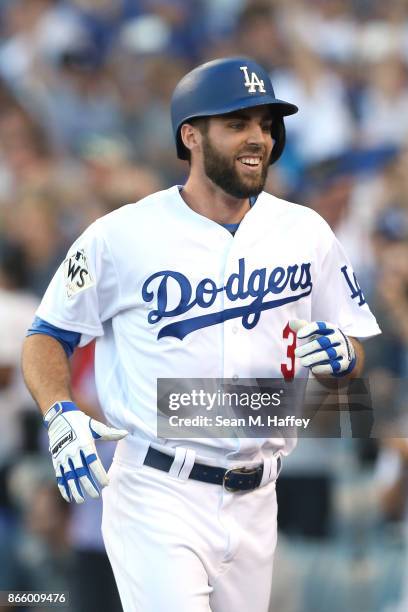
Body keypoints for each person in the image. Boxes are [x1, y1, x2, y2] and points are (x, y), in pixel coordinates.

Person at [22, 57, 381, 612]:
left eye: (265, 124)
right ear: (190, 135)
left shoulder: (304, 231)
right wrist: (59, 410)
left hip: (261, 494)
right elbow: (47, 334)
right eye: (237, 123)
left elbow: (355, 349)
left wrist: (345, 356)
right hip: (158, 488)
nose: (257, 138)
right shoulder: (123, 234)